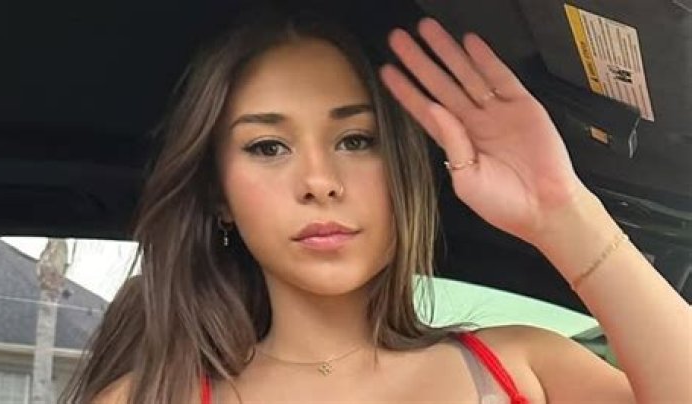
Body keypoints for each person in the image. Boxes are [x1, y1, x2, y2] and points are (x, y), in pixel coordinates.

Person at [60, 6, 691, 404]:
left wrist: (561, 209)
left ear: (401, 172)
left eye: (356, 140)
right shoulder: (146, 398)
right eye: (268, 147)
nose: (319, 181)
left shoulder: (525, 366)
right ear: (219, 197)